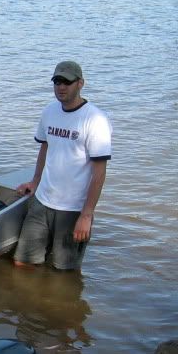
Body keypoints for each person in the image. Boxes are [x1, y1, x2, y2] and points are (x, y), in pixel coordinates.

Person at [13, 61, 112, 270]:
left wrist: (86, 215)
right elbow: (45, 147)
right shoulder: (49, 111)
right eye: (57, 81)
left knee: (63, 271)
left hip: (73, 209)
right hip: (42, 201)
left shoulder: (95, 119)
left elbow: (99, 173)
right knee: (23, 262)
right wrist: (35, 180)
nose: (61, 87)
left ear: (80, 83)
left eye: (67, 82)